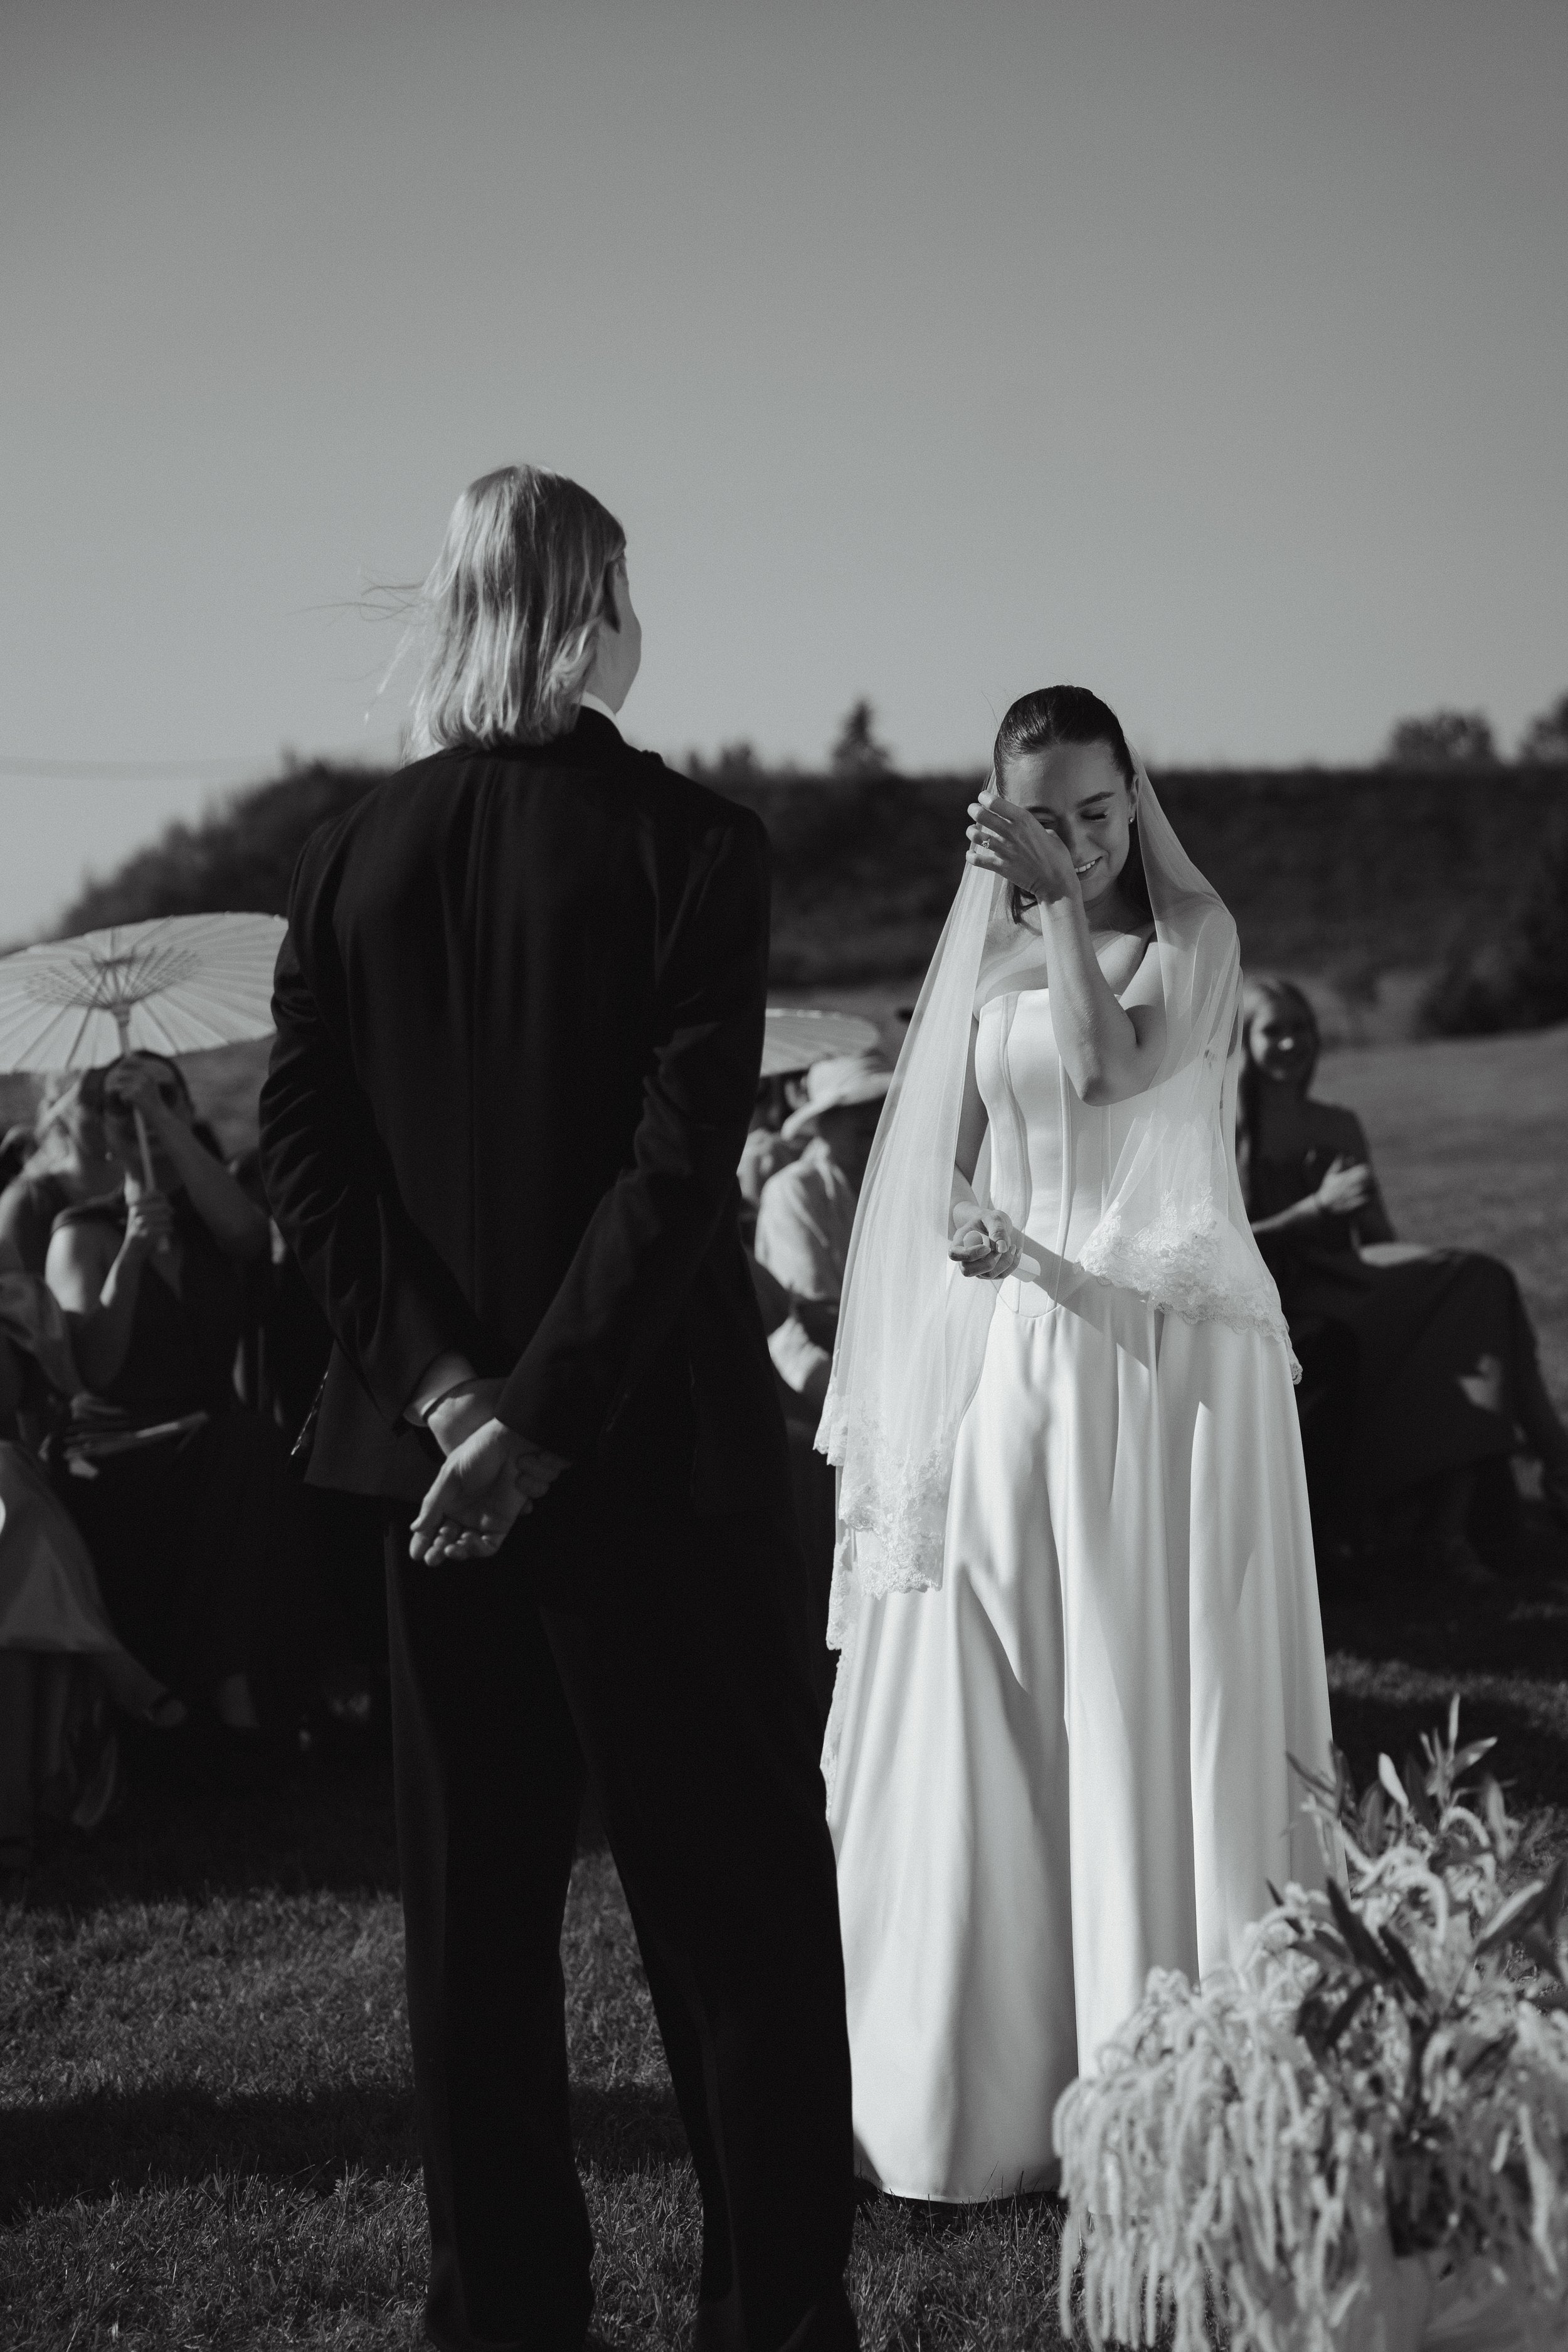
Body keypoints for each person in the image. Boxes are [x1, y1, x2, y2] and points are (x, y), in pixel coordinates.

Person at [258, 464, 857, 2352]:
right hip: (654, 1467)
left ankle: (502, 2318)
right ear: (591, 602)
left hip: (437, 1483)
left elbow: (308, 1169)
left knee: (476, 1934)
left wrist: (451, 1400)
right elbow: (680, 1174)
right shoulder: (693, 844)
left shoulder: (344, 863)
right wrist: (537, 1410)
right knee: (737, 1925)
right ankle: (769, 2318)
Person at [819, 685, 1333, 2203]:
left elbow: (1110, 1071)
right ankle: (991, 2063)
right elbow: (967, 1142)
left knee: (1141, 1681)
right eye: (1044, 814)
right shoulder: (985, 956)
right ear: (1003, 810)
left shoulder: (1194, 934)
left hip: (1160, 1362)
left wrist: (1049, 902)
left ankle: (1156, 2051)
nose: (1081, 837)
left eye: (1098, 805)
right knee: (1005, 1665)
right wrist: (968, 1210)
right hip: (1022, 1349)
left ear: (1134, 789)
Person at [1237, 976, 1568, 1577]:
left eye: (1301, 1029)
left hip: (1349, 1275)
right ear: (1246, 1042)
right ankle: (1553, 1465)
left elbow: (1379, 1238)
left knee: (1478, 1283)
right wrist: (1313, 1211)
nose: (1291, 1043)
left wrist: (1408, 1279)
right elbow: (1228, 1247)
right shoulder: (1227, 1130)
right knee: (1481, 1289)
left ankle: (1452, 1528)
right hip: (1281, 1288)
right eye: (1273, 1031)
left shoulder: (1339, 1122)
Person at [43, 1053, 309, 1751]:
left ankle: (241, 1693)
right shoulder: (80, 1232)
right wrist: (131, 1254)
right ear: (100, 1128)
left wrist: (160, 1113)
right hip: (120, 1453)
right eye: (121, 1105)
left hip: (212, 1438)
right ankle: (232, 1697)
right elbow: (94, 1368)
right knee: (248, 1449)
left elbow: (252, 1237)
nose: (142, 1113)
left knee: (248, 1446)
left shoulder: (210, 1220)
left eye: (165, 1094)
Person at [0, 1239, 184, 1895]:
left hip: (13, 1488)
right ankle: (112, 1661)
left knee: (13, 1544)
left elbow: (40, 1419)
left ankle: (13, 1824)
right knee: (14, 1519)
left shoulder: (12, 1292)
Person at [753, 1053, 892, 1717]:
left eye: (879, 1119)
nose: (873, 1133)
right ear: (824, 1127)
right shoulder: (795, 1192)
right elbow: (805, 1321)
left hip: (889, 1374)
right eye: (857, 1122)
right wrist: (854, 1409)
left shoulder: (900, 1186)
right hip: (817, 1380)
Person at [0, 1074, 122, 1275]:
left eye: (116, 1098)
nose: (107, 1112)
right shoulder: (29, 1202)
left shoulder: (160, 1180)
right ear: (60, 1111)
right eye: (92, 1101)